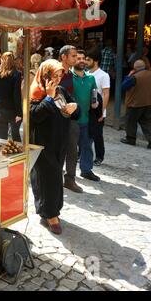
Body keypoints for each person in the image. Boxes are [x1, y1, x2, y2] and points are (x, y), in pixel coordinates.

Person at [30, 59, 79, 234]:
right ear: (45, 76)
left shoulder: (62, 90)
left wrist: (74, 107)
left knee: (56, 177)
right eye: (54, 76)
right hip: (42, 144)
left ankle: (51, 210)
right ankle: (50, 215)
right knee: (46, 178)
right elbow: (34, 115)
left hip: (60, 142)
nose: (58, 80)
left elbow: (75, 110)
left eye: (60, 76)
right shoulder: (36, 93)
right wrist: (49, 98)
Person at [71, 49, 101, 182]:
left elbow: (94, 92)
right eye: (78, 58)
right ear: (73, 60)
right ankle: (68, 174)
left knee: (87, 146)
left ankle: (86, 170)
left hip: (86, 119)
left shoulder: (91, 78)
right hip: (70, 120)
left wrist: (95, 102)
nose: (82, 60)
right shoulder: (68, 77)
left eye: (84, 58)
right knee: (70, 148)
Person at [58, 45, 83, 193]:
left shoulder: (72, 74)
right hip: (55, 116)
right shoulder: (55, 71)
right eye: (73, 56)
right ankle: (55, 177)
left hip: (70, 116)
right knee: (56, 148)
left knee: (73, 148)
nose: (76, 58)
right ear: (63, 57)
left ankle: (70, 179)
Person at [121, 59, 151, 149]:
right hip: (150, 102)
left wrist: (129, 75)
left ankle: (131, 139)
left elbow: (124, 86)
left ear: (135, 68)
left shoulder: (135, 77)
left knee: (130, 121)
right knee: (146, 121)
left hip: (136, 103)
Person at [86, 49, 110, 166]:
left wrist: (102, 111)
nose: (85, 62)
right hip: (87, 110)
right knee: (86, 134)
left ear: (95, 61)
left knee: (97, 135)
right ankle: (84, 155)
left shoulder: (103, 75)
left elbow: (106, 94)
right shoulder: (86, 74)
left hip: (98, 111)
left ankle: (100, 156)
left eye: (88, 60)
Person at [0, 52, 22, 142]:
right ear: (13, 61)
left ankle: (3, 155)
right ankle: (19, 156)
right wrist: (19, 113)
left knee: (2, 140)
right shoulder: (16, 74)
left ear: (2, 61)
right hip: (12, 111)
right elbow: (16, 95)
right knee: (16, 138)